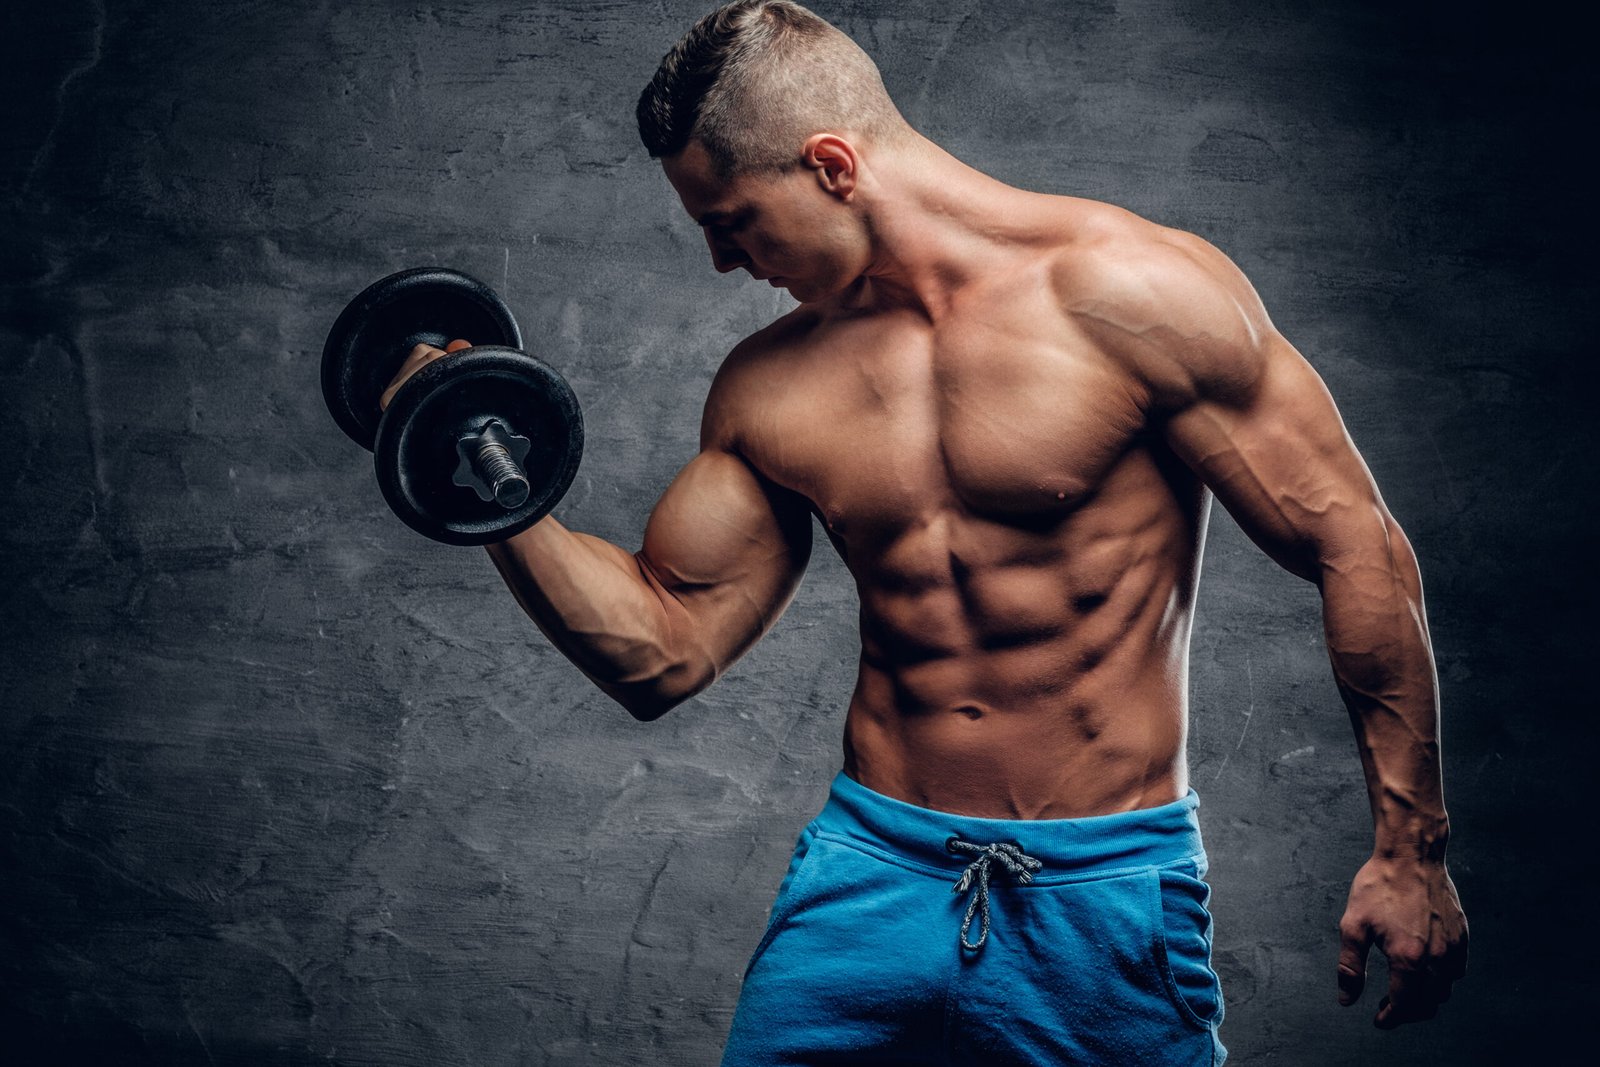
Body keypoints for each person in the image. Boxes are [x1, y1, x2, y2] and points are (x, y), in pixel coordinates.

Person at [384, 1, 1468, 1061]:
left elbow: (1353, 543)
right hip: (869, 881)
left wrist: (1409, 848)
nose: (722, 264)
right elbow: (665, 647)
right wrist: (482, 486)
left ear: (831, 166)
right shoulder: (769, 385)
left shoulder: (1134, 294)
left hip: (1099, 895)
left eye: (732, 224)